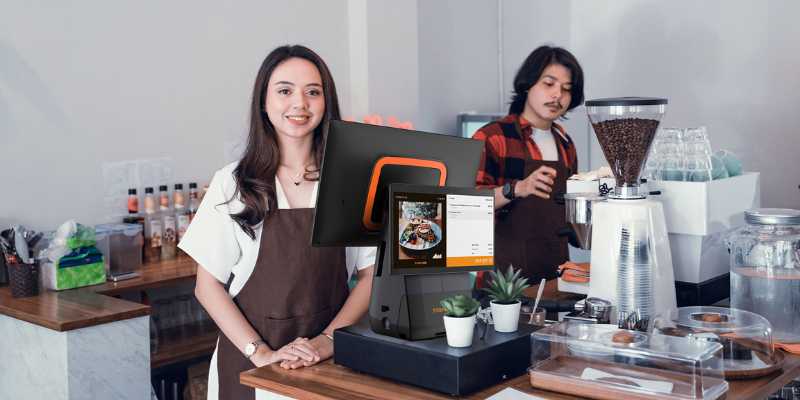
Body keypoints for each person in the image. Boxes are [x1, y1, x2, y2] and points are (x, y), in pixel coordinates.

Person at [179, 45, 376, 400]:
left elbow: (370, 276)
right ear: (264, 103)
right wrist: (262, 353)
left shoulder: (351, 182)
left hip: (328, 363)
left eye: (313, 92)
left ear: (326, 103)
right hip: (250, 368)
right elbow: (207, 287)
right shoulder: (233, 183)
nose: (299, 103)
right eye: (285, 90)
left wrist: (326, 342)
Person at [472, 45, 584, 283]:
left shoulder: (565, 143)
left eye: (566, 89)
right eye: (549, 83)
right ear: (528, 84)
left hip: (554, 281)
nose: (557, 95)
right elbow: (466, 204)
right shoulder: (492, 137)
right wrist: (516, 189)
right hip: (501, 286)